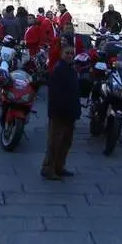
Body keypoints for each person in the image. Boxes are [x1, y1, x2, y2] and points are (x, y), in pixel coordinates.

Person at [41, 41, 79, 180]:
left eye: (72, 53)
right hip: (60, 112)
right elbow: (55, 94)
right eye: (67, 53)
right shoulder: (58, 69)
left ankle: (59, 167)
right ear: (61, 54)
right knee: (55, 142)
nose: (70, 55)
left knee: (66, 142)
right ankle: (48, 169)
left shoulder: (71, 68)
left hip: (70, 111)